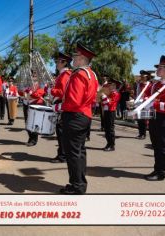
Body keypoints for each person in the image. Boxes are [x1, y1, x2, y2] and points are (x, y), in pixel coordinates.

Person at [60, 42, 99, 194]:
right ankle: (80, 183)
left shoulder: (78, 75)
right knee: (80, 152)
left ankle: (77, 186)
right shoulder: (91, 74)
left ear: (82, 58)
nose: (73, 59)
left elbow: (74, 101)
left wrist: (59, 106)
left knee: (73, 154)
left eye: (75, 56)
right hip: (84, 115)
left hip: (74, 116)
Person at [50, 52, 72, 163]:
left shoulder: (65, 74)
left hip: (62, 105)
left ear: (64, 63)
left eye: (58, 62)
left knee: (61, 132)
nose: (56, 64)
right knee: (60, 132)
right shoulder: (63, 74)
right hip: (60, 104)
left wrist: (51, 90)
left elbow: (62, 92)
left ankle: (62, 156)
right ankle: (62, 154)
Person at [22, 69, 45, 146]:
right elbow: (21, 91)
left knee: (35, 123)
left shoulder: (41, 84)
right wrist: (23, 92)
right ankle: (30, 137)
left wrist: (30, 93)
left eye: (35, 75)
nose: (33, 76)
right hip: (27, 104)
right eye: (32, 75)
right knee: (27, 122)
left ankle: (34, 139)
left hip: (36, 105)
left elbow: (39, 94)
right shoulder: (27, 84)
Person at [100, 82, 120, 151]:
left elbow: (109, 103)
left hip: (111, 112)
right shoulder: (109, 93)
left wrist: (104, 97)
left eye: (110, 86)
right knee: (106, 129)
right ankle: (108, 143)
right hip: (106, 111)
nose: (108, 87)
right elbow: (103, 102)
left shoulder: (115, 94)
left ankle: (112, 145)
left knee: (110, 129)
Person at [135, 70, 153, 139]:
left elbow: (152, 95)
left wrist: (146, 98)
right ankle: (140, 133)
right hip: (139, 103)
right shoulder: (139, 85)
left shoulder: (150, 85)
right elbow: (137, 94)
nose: (142, 77)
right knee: (139, 119)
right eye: (141, 75)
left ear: (147, 77)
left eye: (143, 76)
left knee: (144, 120)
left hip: (146, 104)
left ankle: (143, 134)